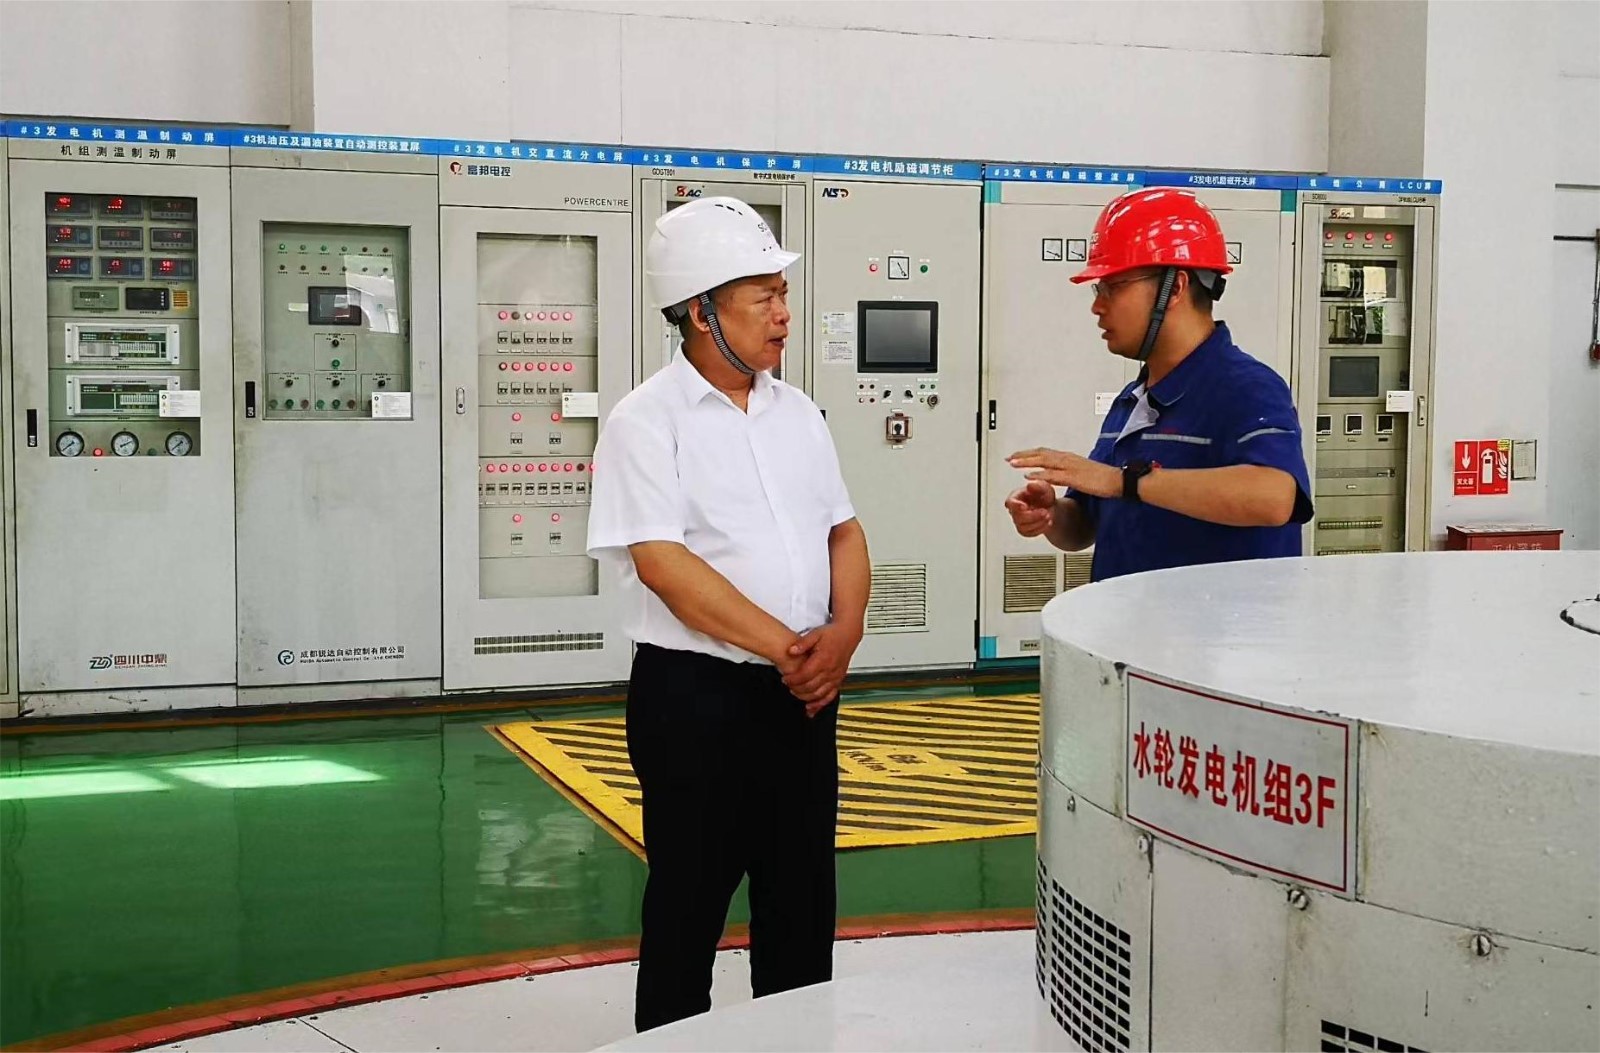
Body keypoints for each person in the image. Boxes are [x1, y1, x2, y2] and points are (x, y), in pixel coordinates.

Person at [586, 195, 871, 1032]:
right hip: (695, 703)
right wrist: (793, 648)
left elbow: (844, 531)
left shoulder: (800, 414)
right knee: (688, 912)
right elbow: (666, 567)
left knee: (801, 909)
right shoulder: (646, 422)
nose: (784, 314)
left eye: (783, 294)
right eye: (764, 297)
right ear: (702, 311)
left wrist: (844, 634)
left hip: (803, 699)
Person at [1006, 187, 1313, 581]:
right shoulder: (1133, 400)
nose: (1097, 306)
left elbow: (1274, 497)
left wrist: (1122, 481)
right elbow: (1085, 524)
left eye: (1113, 287)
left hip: (1219, 622)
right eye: (1098, 290)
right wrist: (1051, 515)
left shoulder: (1246, 387)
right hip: (1130, 618)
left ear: (1176, 288)